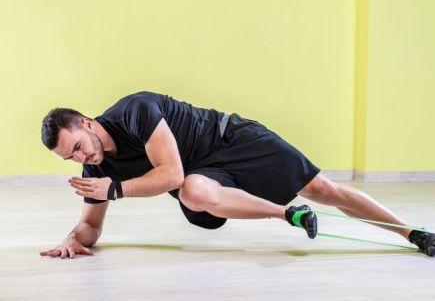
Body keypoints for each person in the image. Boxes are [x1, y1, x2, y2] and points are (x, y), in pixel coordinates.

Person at [39, 91, 434, 258]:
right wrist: (73, 239)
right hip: (204, 174)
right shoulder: (97, 169)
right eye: (69, 158)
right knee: (194, 193)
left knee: (322, 188)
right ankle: (289, 215)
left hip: (233, 139)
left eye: (76, 146)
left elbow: (170, 172)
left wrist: (117, 190)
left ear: (88, 124)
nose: (80, 158)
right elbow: (91, 226)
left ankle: (412, 233)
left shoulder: (134, 111)